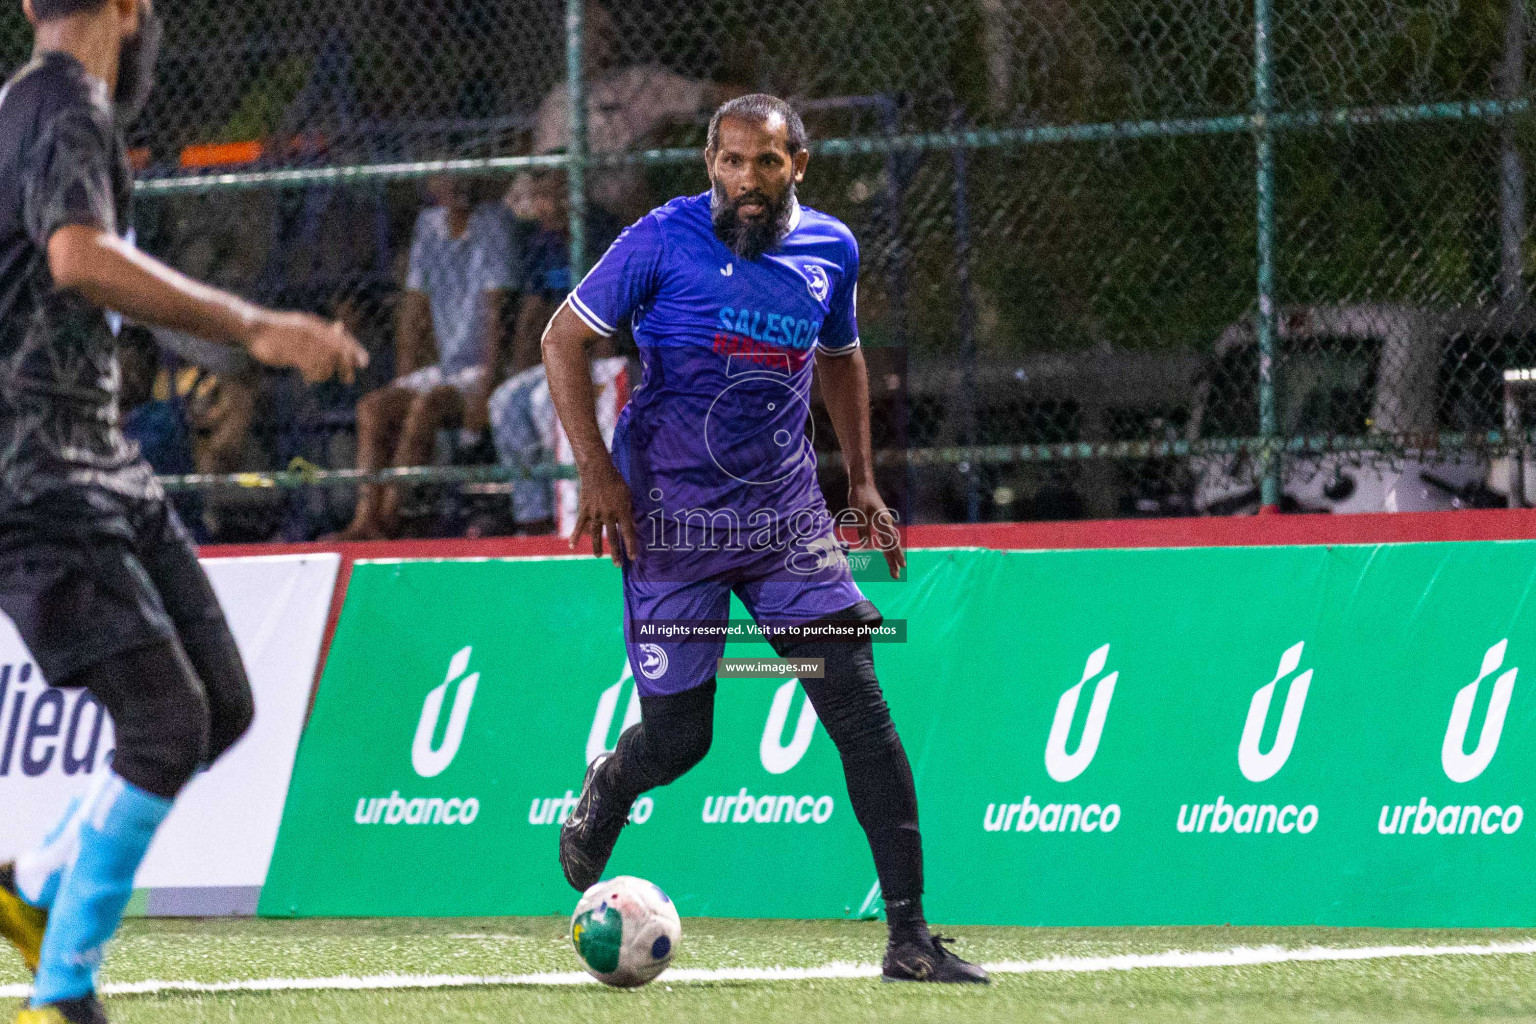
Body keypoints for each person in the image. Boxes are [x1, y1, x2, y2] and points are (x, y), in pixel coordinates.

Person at [543, 95, 988, 985]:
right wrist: (597, 473)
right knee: (682, 739)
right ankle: (615, 780)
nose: (747, 181)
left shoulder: (831, 251)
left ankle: (909, 938)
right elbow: (564, 339)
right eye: (732, 162)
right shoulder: (659, 242)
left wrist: (860, 481)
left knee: (859, 706)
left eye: (767, 164)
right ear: (710, 161)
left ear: (800, 166)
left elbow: (841, 357)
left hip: (785, 521)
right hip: (669, 518)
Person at [0, 0, 366, 1020]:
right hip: (40, 476)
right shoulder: (64, 107)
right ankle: (63, 986)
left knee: (222, 702)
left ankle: (35, 882)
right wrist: (256, 325)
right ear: (129, 7)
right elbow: (77, 255)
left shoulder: (29, 110)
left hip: (96, 457)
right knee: (163, 720)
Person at [329, 176, 515, 540]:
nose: (455, 184)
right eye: (443, 175)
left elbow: (499, 312)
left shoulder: (493, 224)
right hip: (444, 368)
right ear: (432, 182)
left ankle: (389, 517)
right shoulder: (427, 225)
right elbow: (414, 309)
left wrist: (488, 385)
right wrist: (403, 379)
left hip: (485, 368)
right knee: (373, 408)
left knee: (425, 407)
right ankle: (364, 518)